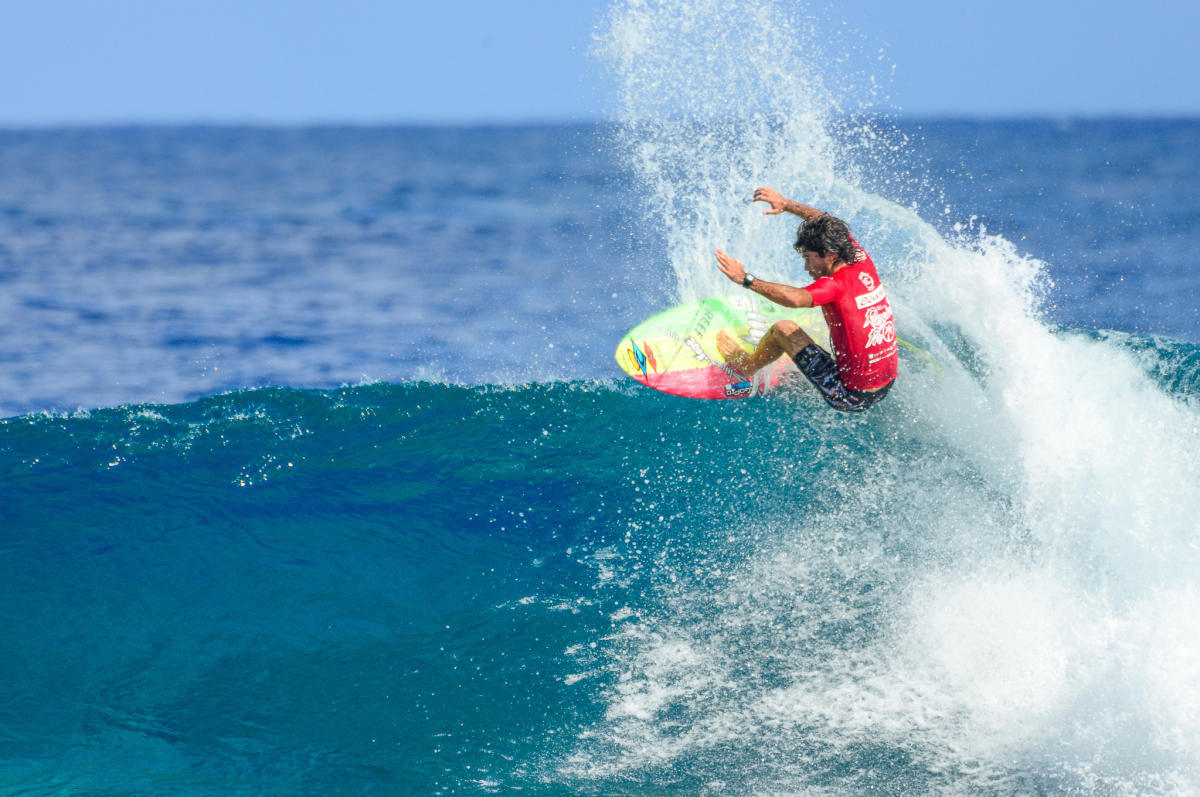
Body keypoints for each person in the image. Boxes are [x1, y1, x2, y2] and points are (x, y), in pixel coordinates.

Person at [714, 186, 898, 412]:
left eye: (810, 259)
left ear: (831, 256)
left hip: (851, 397)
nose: (806, 267)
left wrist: (745, 279)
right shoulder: (858, 257)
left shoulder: (835, 286)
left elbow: (796, 298)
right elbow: (826, 221)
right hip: (887, 384)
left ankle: (748, 365)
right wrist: (786, 204)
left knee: (783, 329)